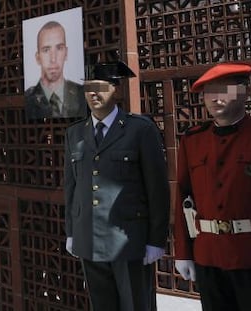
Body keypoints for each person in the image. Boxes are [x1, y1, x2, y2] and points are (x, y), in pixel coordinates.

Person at [64, 62, 170, 311]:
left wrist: (156, 240)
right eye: (89, 88)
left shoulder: (139, 130)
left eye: (101, 87)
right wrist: (71, 231)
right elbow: (71, 188)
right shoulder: (76, 133)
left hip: (128, 241)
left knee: (135, 305)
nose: (94, 93)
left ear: (116, 90)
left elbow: (157, 189)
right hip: (88, 237)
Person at [174, 63, 251, 311]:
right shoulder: (193, 140)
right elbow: (182, 196)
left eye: (224, 90)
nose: (215, 98)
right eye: (209, 92)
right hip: (208, 255)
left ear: (244, 92)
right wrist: (183, 252)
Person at [25, 21, 87, 119]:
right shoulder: (28, 99)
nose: (53, 59)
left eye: (59, 48)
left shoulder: (82, 94)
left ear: (66, 53)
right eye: (46, 50)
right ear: (38, 57)